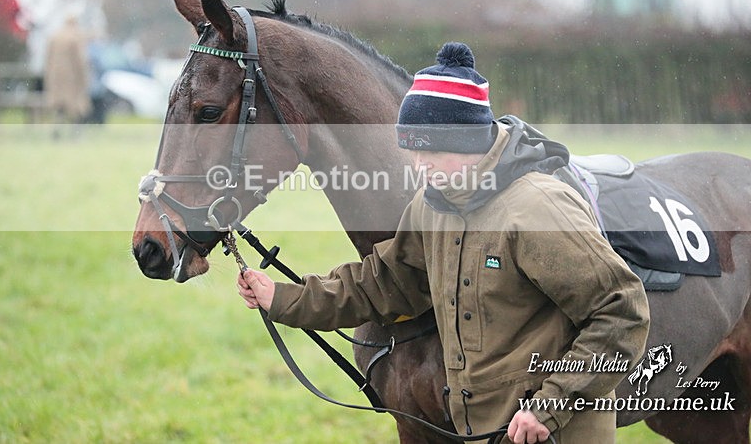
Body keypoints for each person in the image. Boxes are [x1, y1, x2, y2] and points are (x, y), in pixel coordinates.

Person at [237, 42, 650, 442]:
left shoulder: (537, 208)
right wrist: (283, 298)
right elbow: (383, 283)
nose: (419, 167)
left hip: (554, 432)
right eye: (413, 153)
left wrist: (550, 406)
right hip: (486, 433)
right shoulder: (433, 205)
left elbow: (621, 312)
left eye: (430, 152)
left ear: (467, 140)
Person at [44, 14, 92, 131]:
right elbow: (80, 60)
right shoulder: (75, 37)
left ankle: (57, 126)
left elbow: (48, 58)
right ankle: (76, 130)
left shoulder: (54, 36)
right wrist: (85, 77)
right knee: (75, 104)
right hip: (72, 77)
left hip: (55, 76)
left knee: (59, 104)